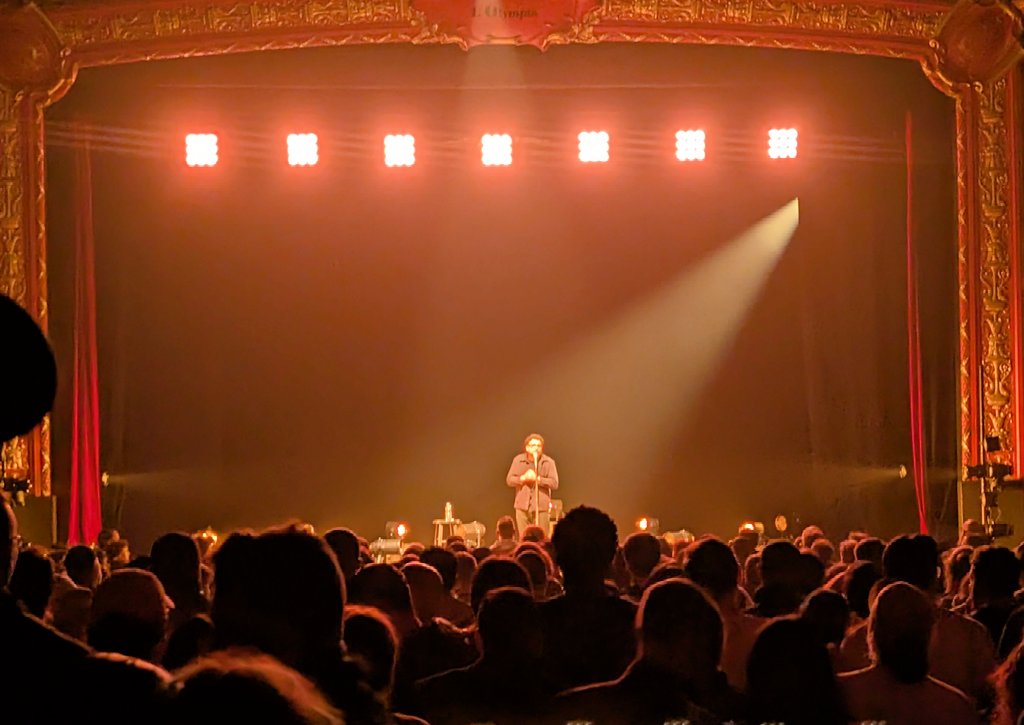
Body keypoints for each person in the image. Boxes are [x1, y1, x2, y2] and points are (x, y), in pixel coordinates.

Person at [505, 433, 559, 536]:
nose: (536, 448)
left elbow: (554, 483)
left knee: (542, 537)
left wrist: (538, 480)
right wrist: (523, 478)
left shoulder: (548, 462)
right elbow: (509, 480)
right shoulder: (518, 460)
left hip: (541, 508)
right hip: (522, 506)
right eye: (533, 445)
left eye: (539, 446)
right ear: (527, 447)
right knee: (524, 537)